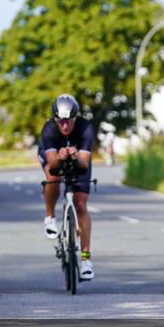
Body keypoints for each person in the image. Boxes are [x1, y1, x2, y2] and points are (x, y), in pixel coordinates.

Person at [38, 94, 95, 281]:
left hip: (79, 161)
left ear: (75, 118)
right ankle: (49, 216)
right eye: (61, 121)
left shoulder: (85, 128)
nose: (65, 126)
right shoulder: (49, 130)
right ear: (56, 119)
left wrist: (75, 156)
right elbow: (53, 164)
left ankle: (86, 260)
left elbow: (84, 164)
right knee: (52, 176)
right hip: (55, 157)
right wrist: (60, 156)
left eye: (69, 121)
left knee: (80, 205)